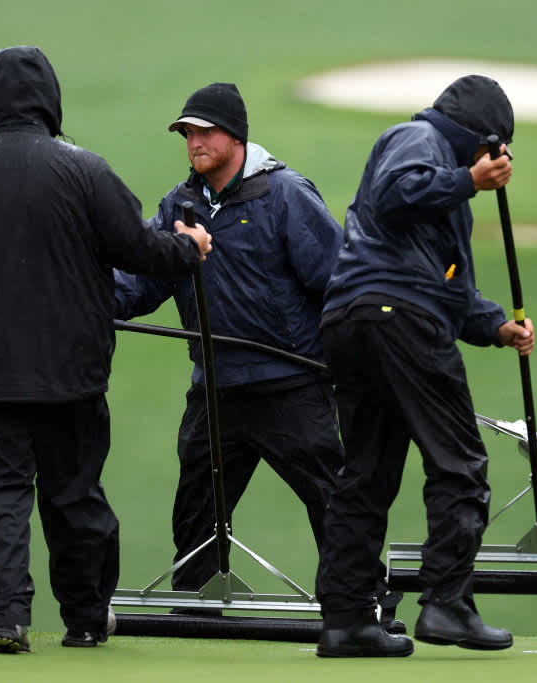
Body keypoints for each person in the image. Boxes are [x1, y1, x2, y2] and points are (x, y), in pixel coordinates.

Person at [0, 46, 212, 654]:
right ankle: (84, 618)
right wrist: (188, 248)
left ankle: (6, 619)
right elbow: (138, 248)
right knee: (74, 495)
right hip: (69, 371)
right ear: (50, 100)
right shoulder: (84, 169)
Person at [113, 82, 403, 629]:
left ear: (236, 136)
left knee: (329, 496)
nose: (194, 142)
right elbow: (140, 281)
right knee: (196, 506)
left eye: (205, 131)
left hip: (289, 383)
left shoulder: (286, 195)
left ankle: (364, 602)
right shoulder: (180, 204)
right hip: (215, 387)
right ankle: (197, 604)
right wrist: (85, 295)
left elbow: (336, 281)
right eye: (187, 133)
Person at [314, 75, 535, 658]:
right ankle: (446, 603)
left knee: (366, 475)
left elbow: (450, 287)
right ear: (480, 139)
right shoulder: (420, 138)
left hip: (355, 320)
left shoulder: (444, 185)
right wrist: (468, 179)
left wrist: (494, 326)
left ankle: (346, 620)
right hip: (400, 318)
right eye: (497, 148)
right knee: (459, 464)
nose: (500, 161)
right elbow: (395, 195)